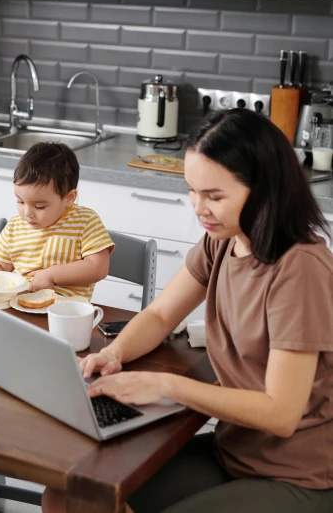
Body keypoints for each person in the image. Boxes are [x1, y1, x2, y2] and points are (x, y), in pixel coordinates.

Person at [43, 109, 333, 513]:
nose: (199, 208)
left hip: (294, 474)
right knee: (69, 495)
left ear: (264, 189)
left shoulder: (299, 268)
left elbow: (280, 413)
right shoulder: (223, 241)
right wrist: (114, 354)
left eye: (214, 196)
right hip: (233, 450)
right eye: (192, 191)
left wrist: (165, 386)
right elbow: (161, 315)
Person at [0, 142, 113, 298]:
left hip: (64, 311)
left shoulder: (85, 221)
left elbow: (97, 267)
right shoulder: (16, 225)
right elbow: (1, 265)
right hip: (15, 305)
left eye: (39, 206)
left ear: (69, 198)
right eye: (20, 201)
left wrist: (51, 275)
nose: (27, 213)